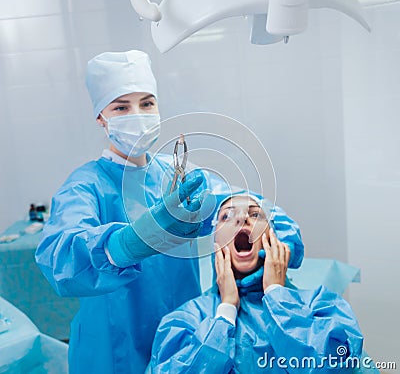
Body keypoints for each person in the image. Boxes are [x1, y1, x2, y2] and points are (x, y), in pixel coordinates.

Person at [35, 50, 304, 373]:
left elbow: (245, 207)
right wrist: (133, 241)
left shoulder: (180, 181)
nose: (137, 113)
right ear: (101, 118)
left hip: (187, 340)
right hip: (113, 351)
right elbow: (61, 258)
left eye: (147, 103)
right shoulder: (85, 186)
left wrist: (274, 238)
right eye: (121, 107)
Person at [150, 194, 366, 373]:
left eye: (255, 214)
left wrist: (276, 296)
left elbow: (335, 367)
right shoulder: (186, 320)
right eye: (227, 216)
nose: (242, 218)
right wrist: (225, 312)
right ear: (215, 243)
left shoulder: (321, 307)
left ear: (274, 237)